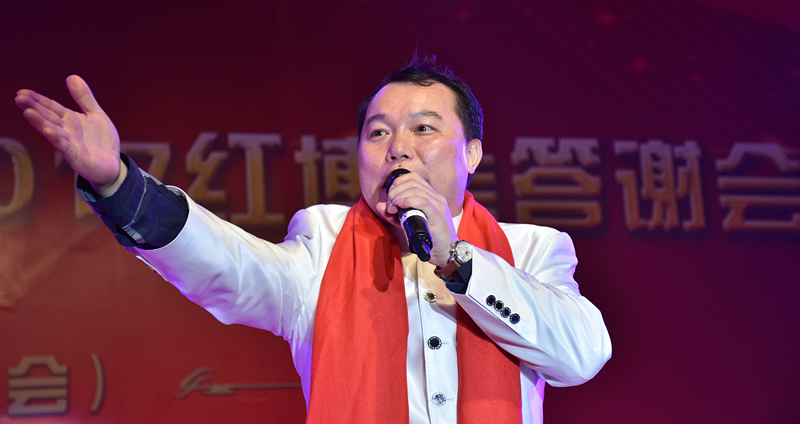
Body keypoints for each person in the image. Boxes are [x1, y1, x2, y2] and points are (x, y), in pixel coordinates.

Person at [16, 58, 611, 424]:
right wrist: (119, 185)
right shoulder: (323, 243)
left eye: (424, 128)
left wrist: (455, 258)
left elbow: (581, 357)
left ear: (472, 154)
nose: (398, 148)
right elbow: (226, 264)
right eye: (378, 133)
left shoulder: (532, 249)